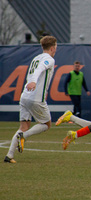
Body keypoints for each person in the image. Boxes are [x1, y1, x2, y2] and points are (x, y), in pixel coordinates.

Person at [4, 35, 57, 163]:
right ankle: (24, 136)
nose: (56, 49)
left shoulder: (36, 58)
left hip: (25, 96)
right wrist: (33, 82)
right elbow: (38, 71)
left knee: (24, 126)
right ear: (52, 47)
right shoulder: (49, 59)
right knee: (46, 124)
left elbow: (38, 73)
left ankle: (9, 156)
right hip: (35, 97)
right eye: (55, 47)